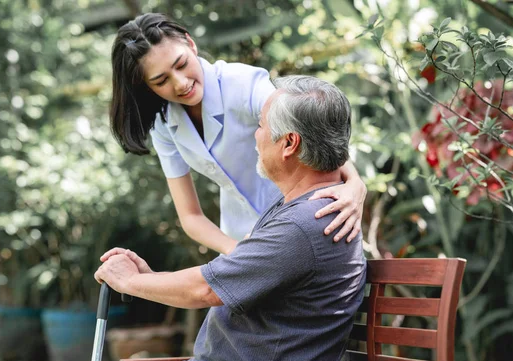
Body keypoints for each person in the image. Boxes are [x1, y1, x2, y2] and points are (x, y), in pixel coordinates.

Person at [96, 75, 367, 361]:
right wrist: (150, 278)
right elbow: (221, 280)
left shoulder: (304, 225)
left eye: (261, 126)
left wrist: (128, 282)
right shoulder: (300, 208)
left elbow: (205, 289)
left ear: (289, 144)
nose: (256, 135)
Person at [109, 13, 367, 254]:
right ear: (145, 86)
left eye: (181, 64)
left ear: (190, 44)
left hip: (306, 220)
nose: (180, 83)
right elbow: (190, 217)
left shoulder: (241, 83)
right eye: (161, 81)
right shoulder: (164, 124)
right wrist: (239, 251)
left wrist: (355, 184)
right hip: (242, 236)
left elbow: (311, 131)